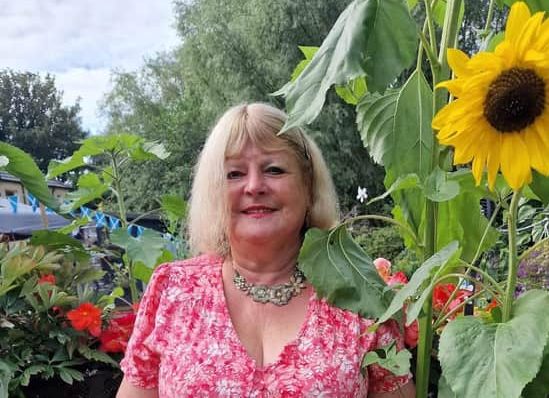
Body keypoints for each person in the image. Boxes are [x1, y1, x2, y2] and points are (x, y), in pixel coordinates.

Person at [116, 103, 415, 397]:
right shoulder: (174, 290)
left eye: (274, 169)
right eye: (234, 174)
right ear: (213, 190)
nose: (254, 186)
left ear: (308, 185)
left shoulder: (359, 296)